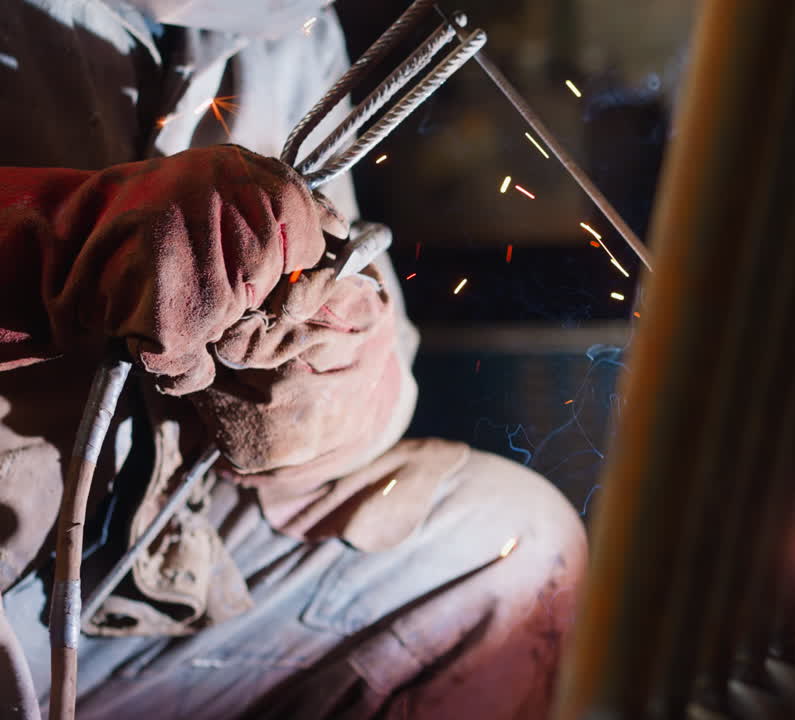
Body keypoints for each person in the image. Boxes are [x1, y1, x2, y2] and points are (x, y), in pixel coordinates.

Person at [0, 1, 587, 718]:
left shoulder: (283, 24)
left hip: (141, 581)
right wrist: (58, 242)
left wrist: (334, 377)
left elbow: (385, 380)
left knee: (511, 549)